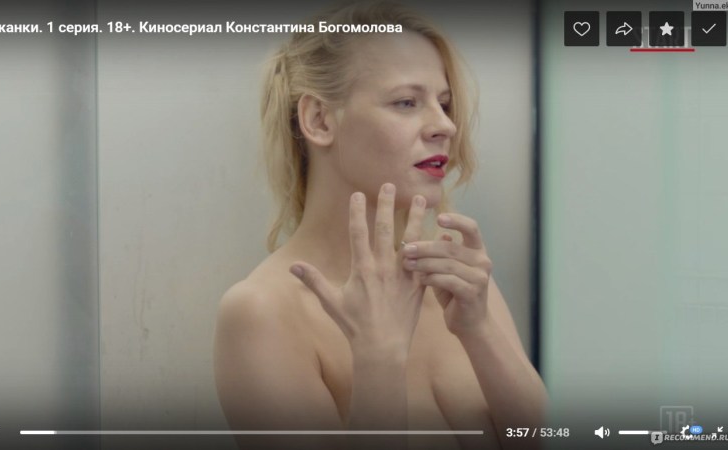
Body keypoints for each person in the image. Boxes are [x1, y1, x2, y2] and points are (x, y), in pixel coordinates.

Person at [214, 2, 547, 449]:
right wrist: (379, 361)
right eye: (406, 102)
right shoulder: (261, 312)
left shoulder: (456, 281)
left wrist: (480, 329)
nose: (445, 126)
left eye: (444, 104)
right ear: (319, 120)